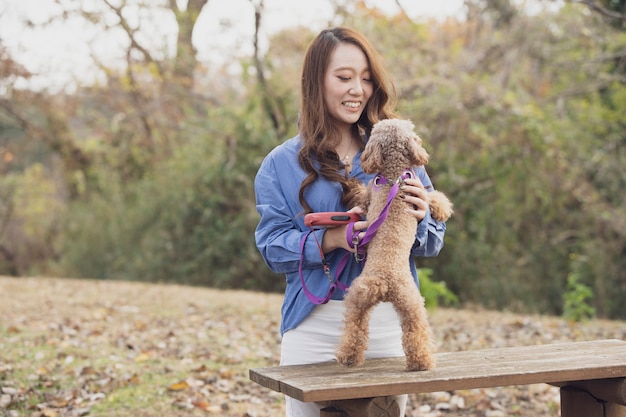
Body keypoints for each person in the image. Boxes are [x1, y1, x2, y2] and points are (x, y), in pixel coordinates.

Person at [254, 26, 447, 417]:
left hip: (388, 325)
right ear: (316, 83)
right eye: (343, 77)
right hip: (313, 326)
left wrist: (421, 218)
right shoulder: (280, 164)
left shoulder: (397, 148)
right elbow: (272, 247)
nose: (357, 89)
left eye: (365, 78)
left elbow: (433, 243)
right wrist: (333, 238)